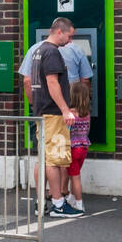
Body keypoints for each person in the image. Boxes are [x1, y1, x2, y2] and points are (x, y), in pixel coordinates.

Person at [29, 17, 82, 218]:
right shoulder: (52, 52)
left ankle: (40, 201)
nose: (69, 40)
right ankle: (59, 204)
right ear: (60, 31)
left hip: (42, 111)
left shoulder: (38, 50)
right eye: (69, 36)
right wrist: (65, 109)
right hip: (53, 113)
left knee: (42, 158)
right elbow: (53, 83)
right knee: (53, 159)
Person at [64, 79, 92, 213]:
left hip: (73, 148)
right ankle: (71, 197)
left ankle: (79, 204)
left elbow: (66, 131)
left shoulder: (69, 114)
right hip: (84, 147)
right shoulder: (87, 114)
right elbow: (87, 131)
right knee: (74, 174)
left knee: (75, 177)